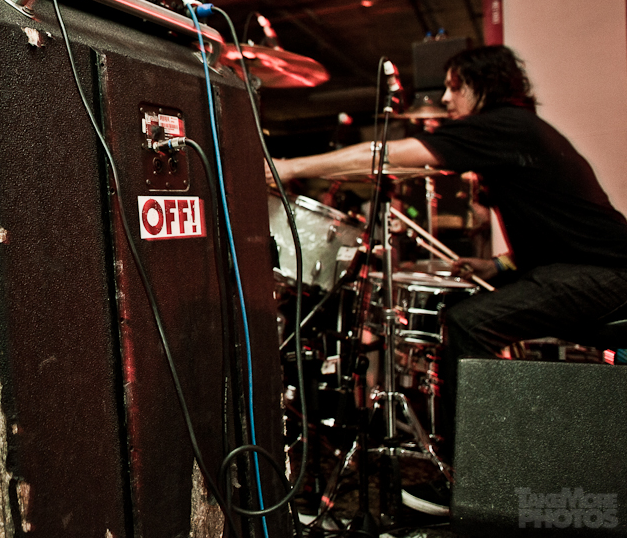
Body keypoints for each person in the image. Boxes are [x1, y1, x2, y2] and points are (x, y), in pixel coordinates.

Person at [267, 45, 627, 512]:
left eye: (455, 87)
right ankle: (500, 463)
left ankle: (479, 482)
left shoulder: (504, 124)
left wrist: (290, 168)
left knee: (468, 323)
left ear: (482, 85)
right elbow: (558, 227)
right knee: (466, 313)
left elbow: (387, 153)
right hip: (593, 268)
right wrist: (499, 266)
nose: (447, 98)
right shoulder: (518, 130)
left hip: (610, 274)